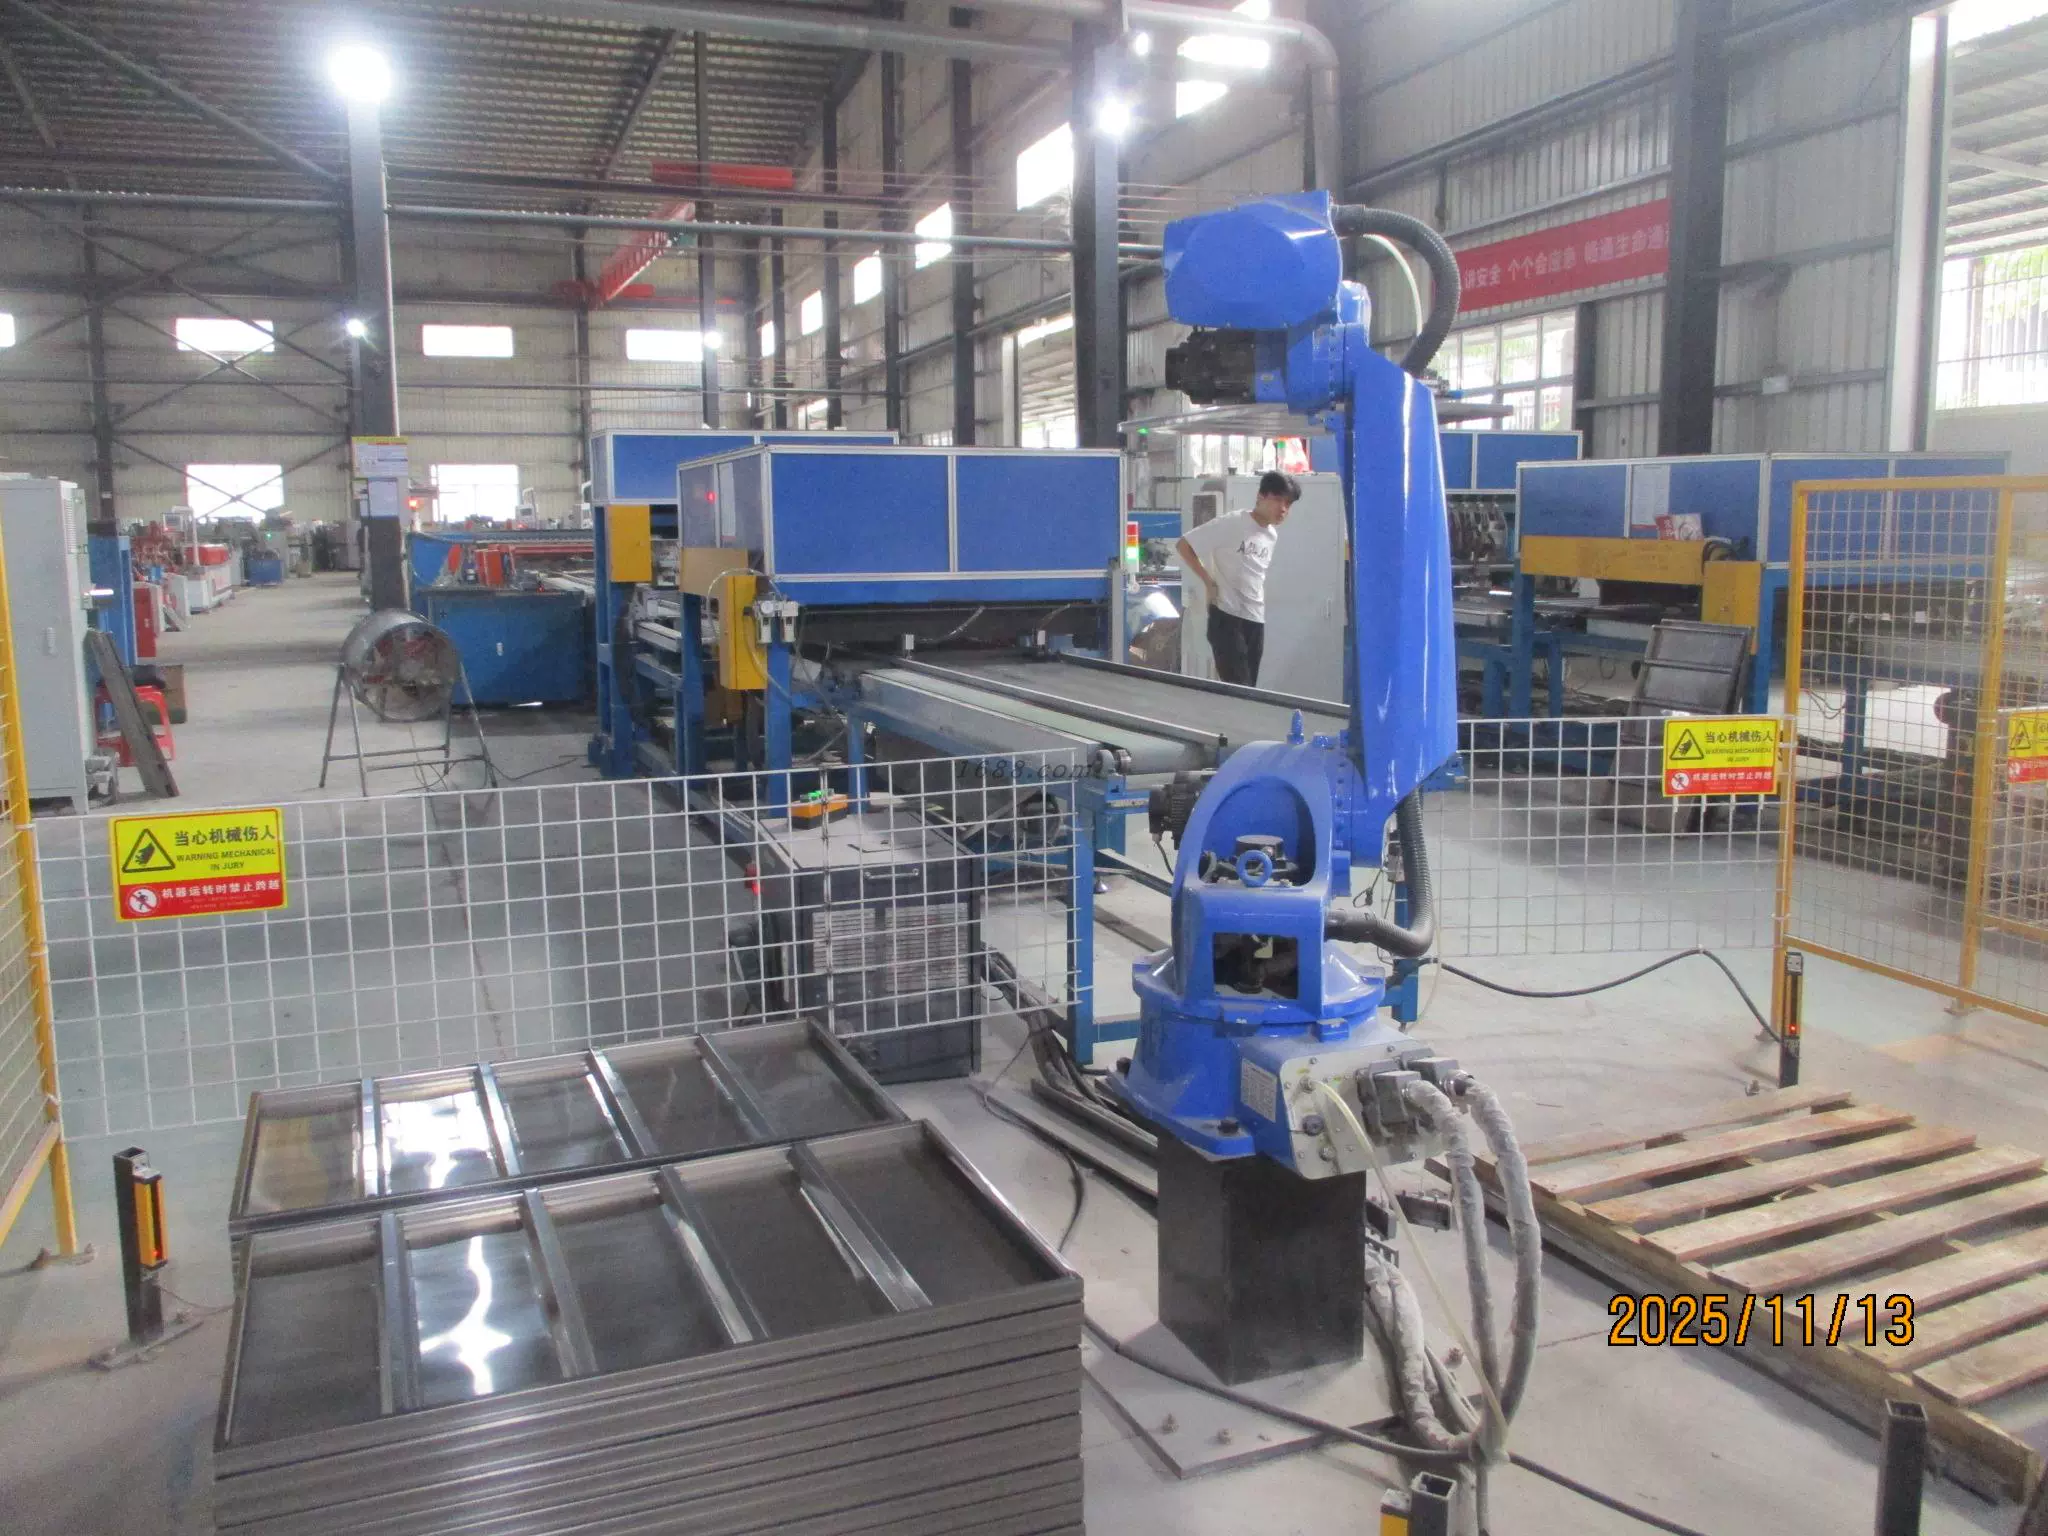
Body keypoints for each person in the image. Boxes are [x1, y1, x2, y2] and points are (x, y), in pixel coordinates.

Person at [1176, 470, 1300, 687]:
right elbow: (1184, 545)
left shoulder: (1271, 535)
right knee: (1238, 688)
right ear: (1261, 496)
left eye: (1288, 504)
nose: (1283, 509)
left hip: (1255, 618)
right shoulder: (1233, 523)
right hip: (1226, 616)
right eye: (1278, 500)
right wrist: (1208, 581)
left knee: (1249, 688)